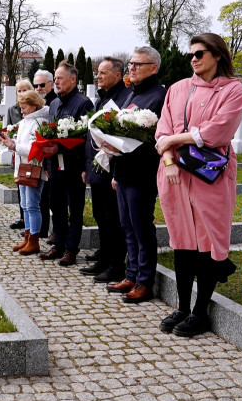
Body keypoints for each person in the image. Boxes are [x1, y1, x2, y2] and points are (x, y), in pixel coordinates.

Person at [154, 33, 242, 335]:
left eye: (200, 53)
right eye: (191, 54)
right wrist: (169, 158)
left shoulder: (234, 90)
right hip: (175, 174)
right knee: (182, 239)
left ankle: (200, 311)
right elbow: (162, 130)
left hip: (211, 174)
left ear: (217, 55)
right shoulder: (178, 88)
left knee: (206, 240)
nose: (194, 59)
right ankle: (182, 306)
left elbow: (216, 131)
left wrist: (174, 140)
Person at [105, 46, 166, 303]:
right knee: (127, 227)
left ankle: (144, 281)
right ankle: (131, 274)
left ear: (153, 67)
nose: (132, 68)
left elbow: (157, 137)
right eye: (131, 63)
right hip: (125, 170)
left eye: (138, 64)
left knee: (142, 228)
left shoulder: (159, 96)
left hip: (144, 172)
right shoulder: (132, 95)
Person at [82, 56, 131, 283]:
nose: (98, 76)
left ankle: (115, 265)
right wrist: (87, 167)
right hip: (97, 167)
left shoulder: (125, 97)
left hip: (113, 168)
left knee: (113, 219)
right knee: (101, 216)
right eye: (97, 73)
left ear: (117, 75)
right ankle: (104, 259)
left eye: (103, 73)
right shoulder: (102, 98)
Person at [38, 63, 93, 266]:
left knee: (74, 210)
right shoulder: (54, 104)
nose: (57, 82)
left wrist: (62, 150)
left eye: (60, 78)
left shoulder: (83, 103)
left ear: (72, 79)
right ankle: (57, 244)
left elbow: (87, 137)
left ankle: (71, 249)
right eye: (55, 78)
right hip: (54, 166)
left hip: (73, 166)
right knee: (56, 207)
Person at [0, 89, 50, 255]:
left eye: (24, 107)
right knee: (25, 206)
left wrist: (13, 146)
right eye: (20, 107)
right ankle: (27, 237)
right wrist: (10, 141)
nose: (21, 110)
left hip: (33, 168)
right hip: (22, 167)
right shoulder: (27, 120)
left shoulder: (40, 122)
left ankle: (34, 240)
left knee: (32, 205)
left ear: (34, 106)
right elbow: (22, 143)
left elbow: (35, 148)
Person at [6, 78, 35, 230]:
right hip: (17, 154)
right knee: (20, 187)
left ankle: (32, 223)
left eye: (25, 90)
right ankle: (23, 218)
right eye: (19, 90)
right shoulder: (12, 109)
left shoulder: (34, 109)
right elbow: (8, 128)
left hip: (29, 154)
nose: (22, 93)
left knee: (31, 190)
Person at [32, 70, 58, 241]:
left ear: (51, 84)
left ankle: (55, 231)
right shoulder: (36, 102)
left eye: (42, 85)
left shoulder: (55, 102)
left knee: (53, 198)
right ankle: (40, 229)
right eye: (36, 85)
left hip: (53, 156)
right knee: (40, 196)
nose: (39, 88)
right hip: (37, 156)